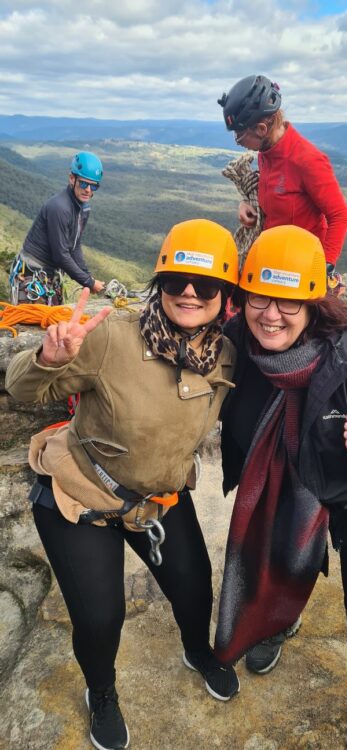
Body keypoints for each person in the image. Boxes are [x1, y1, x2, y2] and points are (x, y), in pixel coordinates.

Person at [6, 218, 240, 750]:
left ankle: (197, 651)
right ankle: (102, 691)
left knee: (193, 584)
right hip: (80, 493)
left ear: (224, 296)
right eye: (175, 280)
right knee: (101, 616)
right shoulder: (112, 338)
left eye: (204, 286)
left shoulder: (226, 356)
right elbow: (20, 388)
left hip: (156, 498)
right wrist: (49, 357)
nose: (188, 293)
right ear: (159, 283)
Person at [215, 225, 347, 750]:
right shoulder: (241, 345)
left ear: (314, 303)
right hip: (295, 472)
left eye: (289, 302)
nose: (271, 313)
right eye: (261, 297)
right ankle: (278, 617)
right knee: (276, 536)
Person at [218, 75, 347, 285]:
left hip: (300, 262)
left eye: (240, 135)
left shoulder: (308, 160)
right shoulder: (266, 152)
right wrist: (247, 202)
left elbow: (339, 215)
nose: (238, 142)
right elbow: (273, 189)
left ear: (261, 129)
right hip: (272, 254)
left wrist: (323, 268)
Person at [9, 151, 106, 305]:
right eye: (83, 183)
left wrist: (88, 278)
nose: (88, 189)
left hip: (49, 275)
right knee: (34, 324)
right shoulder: (59, 208)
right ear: (72, 178)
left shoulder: (83, 209)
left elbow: (74, 246)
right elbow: (60, 255)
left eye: (93, 185)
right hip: (32, 274)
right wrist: (88, 281)